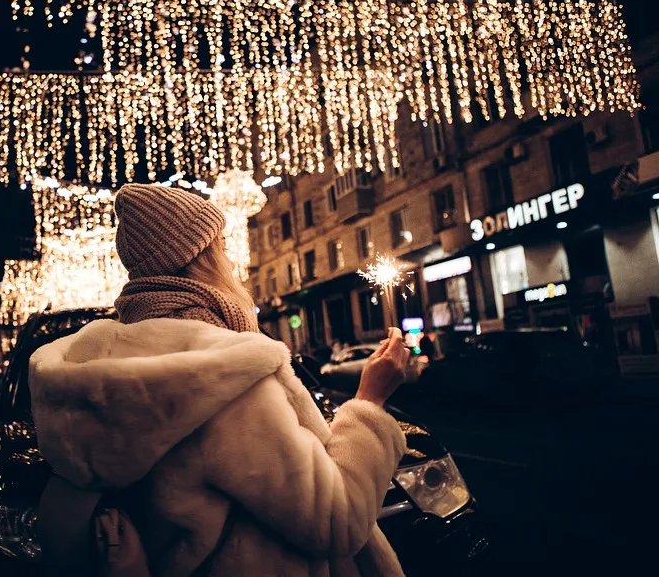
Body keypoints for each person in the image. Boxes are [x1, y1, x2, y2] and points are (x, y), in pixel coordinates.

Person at [30, 184, 410, 576]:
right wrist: (369, 402)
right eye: (222, 246)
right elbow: (334, 521)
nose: (231, 261)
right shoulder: (226, 376)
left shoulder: (108, 364)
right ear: (200, 258)